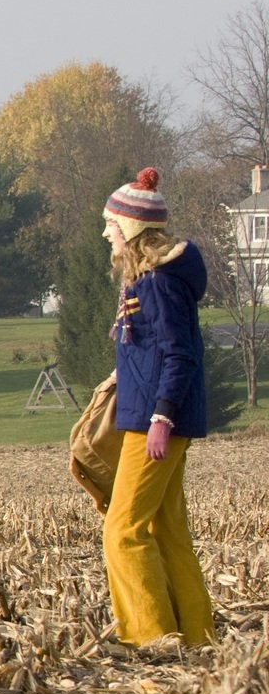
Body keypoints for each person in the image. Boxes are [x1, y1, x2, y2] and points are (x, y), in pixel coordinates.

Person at [101, 167, 214, 648]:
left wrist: (161, 418)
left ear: (130, 229)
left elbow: (180, 353)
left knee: (122, 530)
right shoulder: (150, 281)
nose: (106, 232)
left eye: (111, 224)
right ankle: (195, 636)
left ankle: (149, 637)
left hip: (154, 424)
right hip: (155, 416)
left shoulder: (159, 284)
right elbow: (153, 349)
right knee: (167, 528)